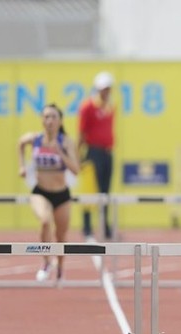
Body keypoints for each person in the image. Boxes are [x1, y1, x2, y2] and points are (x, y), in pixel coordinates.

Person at [18, 103, 79, 282]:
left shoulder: (66, 142)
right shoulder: (34, 139)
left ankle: (60, 267)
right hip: (40, 191)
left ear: (60, 121)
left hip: (61, 194)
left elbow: (75, 170)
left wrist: (60, 153)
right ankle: (46, 262)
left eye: (53, 117)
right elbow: (19, 144)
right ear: (42, 121)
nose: (50, 120)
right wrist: (22, 166)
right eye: (46, 117)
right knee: (45, 221)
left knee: (61, 235)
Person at [78, 71, 116, 240]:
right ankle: (87, 228)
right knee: (89, 191)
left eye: (108, 88)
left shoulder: (110, 107)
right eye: (103, 89)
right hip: (93, 152)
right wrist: (78, 155)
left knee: (105, 192)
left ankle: (105, 227)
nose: (106, 92)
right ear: (97, 89)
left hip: (107, 153)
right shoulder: (88, 106)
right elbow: (82, 132)